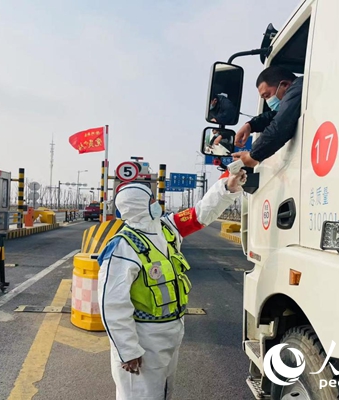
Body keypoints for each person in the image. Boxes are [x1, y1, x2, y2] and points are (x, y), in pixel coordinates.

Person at [98, 171, 246, 400]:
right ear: (139, 205)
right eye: (151, 199)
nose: (156, 203)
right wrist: (127, 350)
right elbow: (112, 305)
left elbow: (199, 214)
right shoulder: (122, 247)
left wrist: (227, 188)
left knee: (163, 392)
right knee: (140, 395)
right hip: (144, 339)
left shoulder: (166, 228)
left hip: (171, 333)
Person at [232, 65, 303, 167]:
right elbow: (276, 115)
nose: (268, 101)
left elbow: (280, 126)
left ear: (285, 85)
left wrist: (253, 156)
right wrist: (251, 125)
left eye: (267, 95)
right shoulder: (299, 94)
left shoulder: (296, 89)